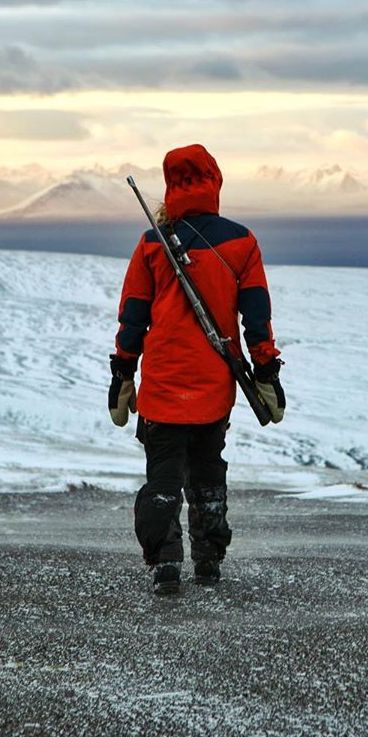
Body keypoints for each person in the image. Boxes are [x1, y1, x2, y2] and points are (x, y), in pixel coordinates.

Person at [108, 144, 285, 595]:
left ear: (170, 186)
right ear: (215, 182)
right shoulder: (242, 241)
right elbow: (256, 315)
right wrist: (266, 372)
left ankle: (165, 563)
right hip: (214, 384)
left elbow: (133, 315)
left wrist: (123, 372)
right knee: (208, 470)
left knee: (163, 473)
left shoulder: (152, 242)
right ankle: (209, 560)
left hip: (162, 385)